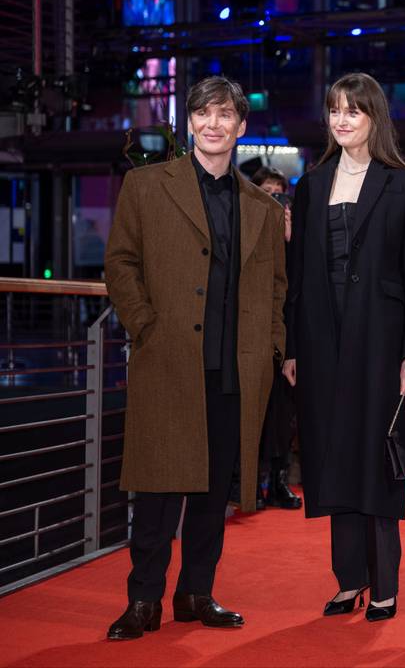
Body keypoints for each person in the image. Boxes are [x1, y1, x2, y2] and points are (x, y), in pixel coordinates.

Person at [103, 76, 287, 639]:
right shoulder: (146, 185)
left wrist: (273, 347)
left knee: (212, 496)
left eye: (225, 115)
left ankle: (195, 593)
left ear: (241, 127)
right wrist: (145, 326)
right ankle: (143, 602)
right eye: (204, 113)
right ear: (190, 122)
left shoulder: (260, 204)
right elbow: (121, 263)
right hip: (168, 360)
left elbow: (277, 287)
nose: (214, 124)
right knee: (157, 492)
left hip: (235, 369)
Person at [281, 73, 405, 622]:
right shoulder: (313, 183)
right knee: (332, 457)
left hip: (381, 340)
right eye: (334, 111)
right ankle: (349, 580)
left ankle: (384, 585)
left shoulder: (401, 183)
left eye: (354, 111)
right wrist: (294, 347)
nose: (342, 120)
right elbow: (296, 279)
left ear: (374, 118)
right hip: (322, 339)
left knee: (378, 460)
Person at [247, 166, 301, 510]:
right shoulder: (246, 228)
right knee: (253, 412)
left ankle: (278, 481)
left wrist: (290, 237)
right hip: (251, 333)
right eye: (266, 193)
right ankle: (250, 483)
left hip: (287, 334)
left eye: (279, 194)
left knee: (283, 413)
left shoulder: (291, 233)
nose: (273, 200)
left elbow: (299, 281)